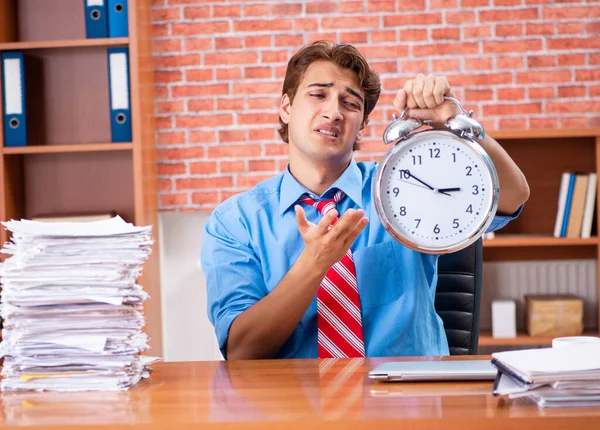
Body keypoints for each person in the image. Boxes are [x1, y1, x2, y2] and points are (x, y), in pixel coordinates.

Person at [201, 41, 530, 360]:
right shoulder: (235, 222)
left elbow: (514, 196)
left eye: (351, 103)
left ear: (362, 124)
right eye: (318, 95)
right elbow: (242, 352)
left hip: (411, 402)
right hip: (297, 407)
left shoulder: (403, 182)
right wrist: (314, 264)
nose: (333, 112)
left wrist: (456, 122)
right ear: (286, 108)